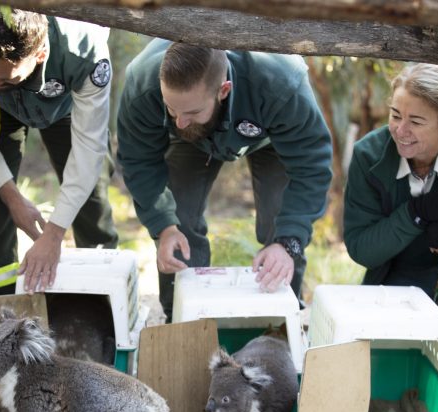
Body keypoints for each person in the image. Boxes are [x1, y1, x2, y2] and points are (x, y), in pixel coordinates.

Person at [116, 41, 333, 322]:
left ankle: (281, 321)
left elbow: (311, 166)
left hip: (271, 140)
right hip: (190, 143)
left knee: (280, 224)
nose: (179, 120)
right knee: (178, 219)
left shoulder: (280, 82)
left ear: (223, 90)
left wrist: (288, 241)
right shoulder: (143, 84)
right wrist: (163, 226)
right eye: (171, 109)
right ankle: (182, 319)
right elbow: (138, 161)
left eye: (190, 112)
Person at [0, 9, 118, 296]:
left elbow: (89, 150)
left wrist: (54, 233)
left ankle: (104, 296)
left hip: (65, 107)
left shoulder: (85, 51)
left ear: (40, 54)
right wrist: (12, 197)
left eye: (4, 79)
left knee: (91, 201)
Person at [344, 63, 438, 344]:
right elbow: (361, 248)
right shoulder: (367, 155)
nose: (400, 130)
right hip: (395, 280)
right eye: (396, 115)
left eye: (416, 122)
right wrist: (417, 212)